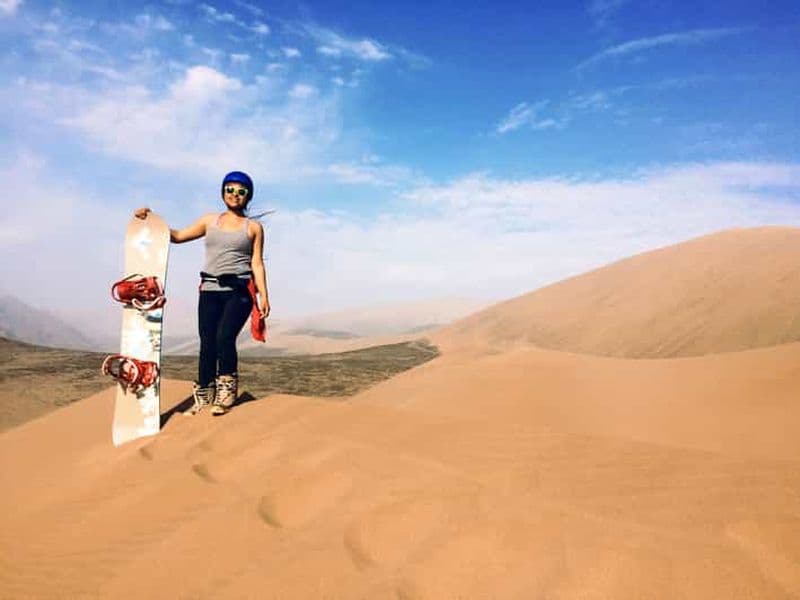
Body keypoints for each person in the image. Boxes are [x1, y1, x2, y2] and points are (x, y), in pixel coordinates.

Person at [135, 171, 270, 416]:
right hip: (209, 290)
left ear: (248, 196)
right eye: (230, 189)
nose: (235, 194)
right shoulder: (209, 221)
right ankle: (205, 396)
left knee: (224, 338)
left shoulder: (254, 228)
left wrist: (263, 296)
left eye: (241, 191)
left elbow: (257, 263)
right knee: (207, 344)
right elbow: (177, 236)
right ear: (223, 192)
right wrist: (151, 219)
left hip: (238, 292)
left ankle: (226, 393)